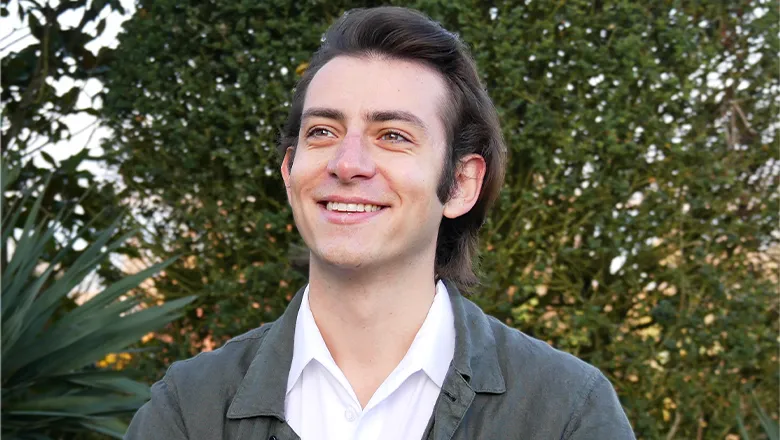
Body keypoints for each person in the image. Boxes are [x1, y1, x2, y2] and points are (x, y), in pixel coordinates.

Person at [125, 6, 636, 440]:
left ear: (460, 184)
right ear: (289, 170)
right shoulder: (189, 410)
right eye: (323, 130)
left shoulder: (565, 413)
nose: (347, 164)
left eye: (392, 136)